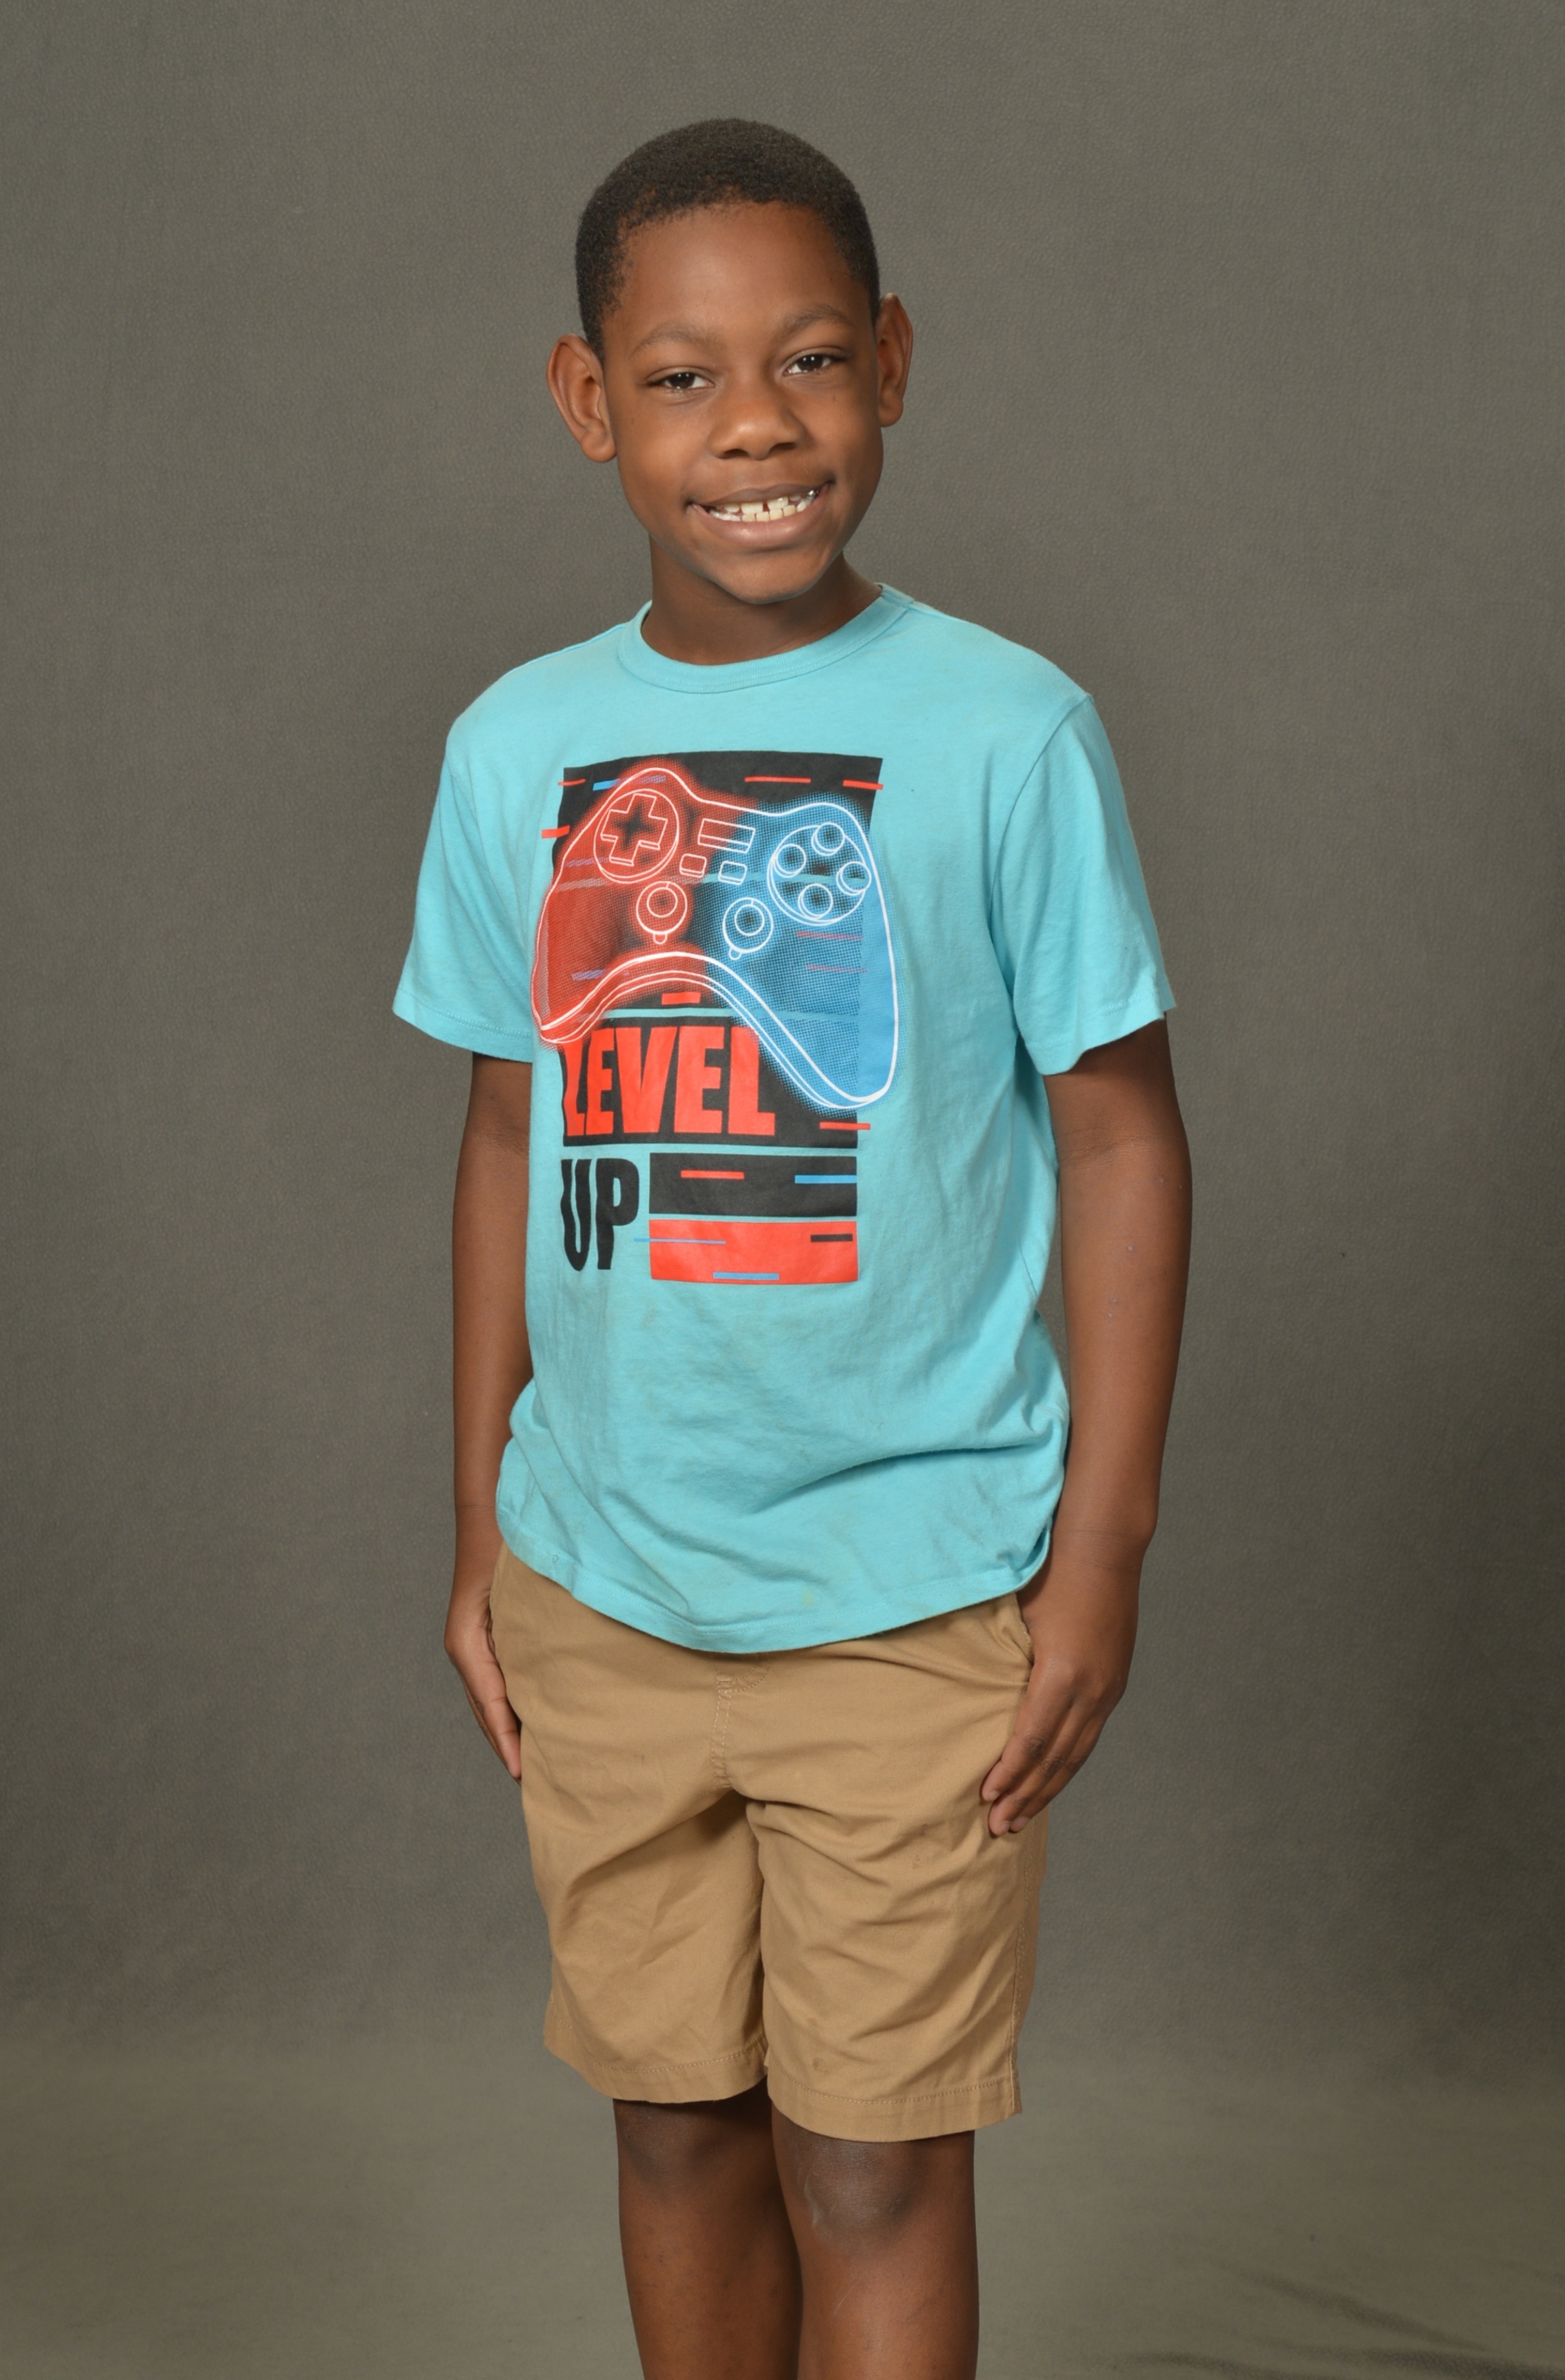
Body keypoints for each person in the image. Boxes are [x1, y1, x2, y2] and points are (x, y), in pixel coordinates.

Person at [395, 117, 1192, 2380]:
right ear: (589, 400)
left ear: (895, 366)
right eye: (683, 378)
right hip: (608, 1584)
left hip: (912, 1593)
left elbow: (1123, 1138)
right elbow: (504, 1136)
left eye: (813, 361)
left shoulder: (1007, 730)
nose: (756, 426)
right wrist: (480, 1528)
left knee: (872, 2162)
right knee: (674, 2126)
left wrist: (1103, 1550)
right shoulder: (519, 749)